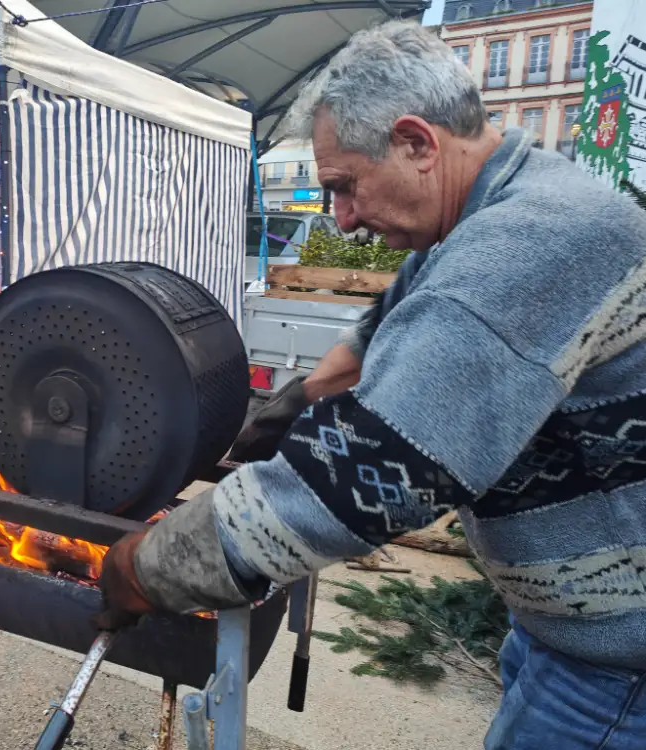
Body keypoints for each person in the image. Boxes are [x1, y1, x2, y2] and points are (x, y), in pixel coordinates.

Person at [97, 21, 646, 749]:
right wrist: (279, 413)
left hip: (617, 667)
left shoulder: (519, 252)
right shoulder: (508, 201)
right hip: (568, 632)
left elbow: (357, 486)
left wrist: (143, 568)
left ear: (417, 143)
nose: (344, 219)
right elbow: (379, 337)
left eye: (345, 186)